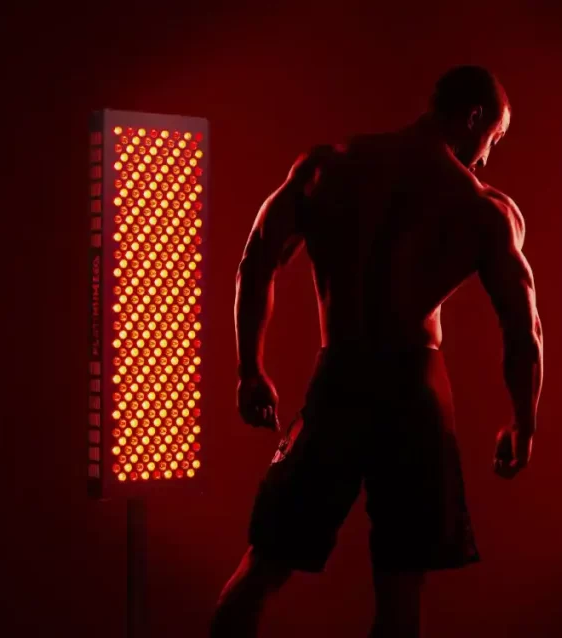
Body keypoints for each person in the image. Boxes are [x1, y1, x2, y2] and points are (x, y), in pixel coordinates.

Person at [210, 65, 544, 638]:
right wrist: (524, 422)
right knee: (400, 588)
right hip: (416, 391)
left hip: (340, 378)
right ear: (473, 118)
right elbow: (523, 326)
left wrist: (250, 368)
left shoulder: (327, 168)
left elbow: (256, 261)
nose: (487, 156)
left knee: (264, 563)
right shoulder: (484, 208)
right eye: (496, 136)